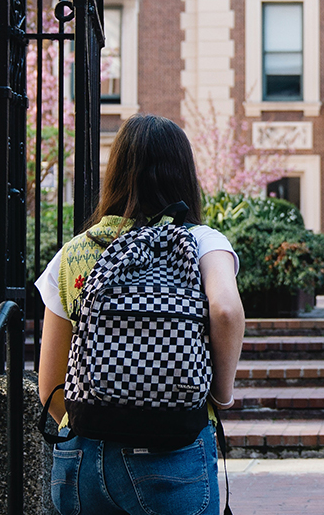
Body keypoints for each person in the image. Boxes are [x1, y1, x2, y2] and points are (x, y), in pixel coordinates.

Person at [36, 114, 245, 515]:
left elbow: (50, 390)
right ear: (183, 174)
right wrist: (220, 392)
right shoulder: (201, 242)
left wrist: (102, 418)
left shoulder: (73, 254)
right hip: (171, 450)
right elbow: (224, 308)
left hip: (83, 456)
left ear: (116, 173)